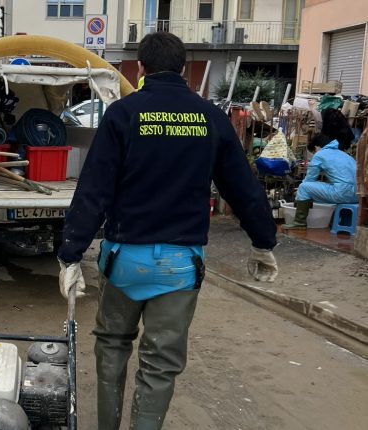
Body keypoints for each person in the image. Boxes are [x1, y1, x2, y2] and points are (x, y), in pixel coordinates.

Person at [57, 32, 278, 430]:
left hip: (125, 259)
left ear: (140, 69)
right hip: (180, 265)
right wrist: (264, 242)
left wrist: (71, 254)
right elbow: (242, 187)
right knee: (159, 365)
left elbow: (94, 189)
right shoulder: (210, 117)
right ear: (183, 70)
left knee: (111, 347)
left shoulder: (123, 114)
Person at [284, 130, 358, 229]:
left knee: (303, 187)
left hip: (342, 193)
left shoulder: (319, 155)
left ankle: (299, 222)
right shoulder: (344, 155)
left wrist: (299, 193)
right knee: (320, 186)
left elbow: (309, 180)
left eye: (313, 152)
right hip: (357, 196)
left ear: (316, 147)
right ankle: (339, 221)